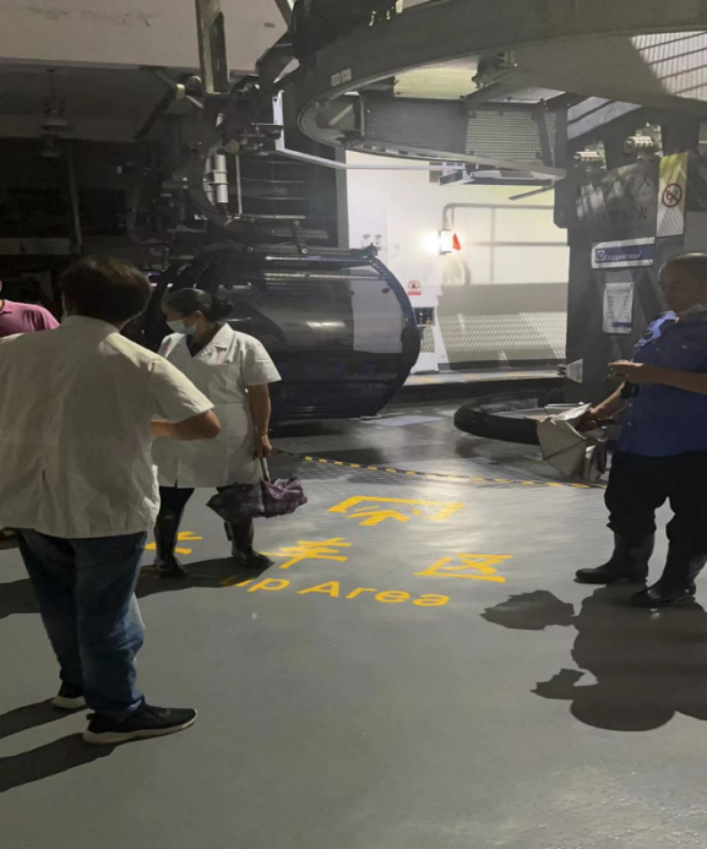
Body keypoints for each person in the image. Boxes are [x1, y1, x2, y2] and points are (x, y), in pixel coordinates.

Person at [0, 257, 221, 744]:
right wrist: (147, 425)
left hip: (28, 501)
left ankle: (75, 684)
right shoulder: (138, 361)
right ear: (135, 310)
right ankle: (117, 713)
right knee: (107, 613)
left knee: (58, 602)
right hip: (106, 505)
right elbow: (204, 425)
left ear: (66, 299)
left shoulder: (11, 350)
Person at [576, 253, 707, 608]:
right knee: (625, 506)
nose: (667, 293)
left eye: (677, 285)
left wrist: (652, 374)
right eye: (664, 286)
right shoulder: (661, 324)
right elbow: (634, 382)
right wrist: (599, 413)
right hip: (641, 440)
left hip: (693, 446)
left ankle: (677, 582)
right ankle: (627, 565)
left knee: (694, 520)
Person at [152, 288, 281, 578]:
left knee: (238, 497)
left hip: (228, 435)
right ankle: (165, 557)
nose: (168, 321)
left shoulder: (245, 344)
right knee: (169, 497)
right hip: (179, 430)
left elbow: (260, 394)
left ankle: (243, 549)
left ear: (196, 316)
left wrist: (262, 433)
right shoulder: (170, 343)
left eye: (171, 315)